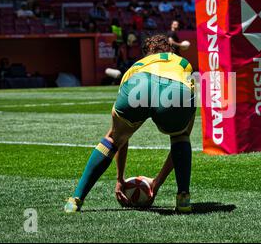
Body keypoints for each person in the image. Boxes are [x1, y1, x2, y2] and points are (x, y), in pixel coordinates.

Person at [64, 34, 196, 213]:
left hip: (139, 83)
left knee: (111, 140)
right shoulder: (182, 62)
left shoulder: (137, 66)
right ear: (170, 50)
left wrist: (120, 179)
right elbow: (181, 145)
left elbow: (122, 140)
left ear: (146, 54)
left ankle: (75, 200)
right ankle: (183, 198)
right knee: (181, 137)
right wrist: (156, 184)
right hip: (176, 88)